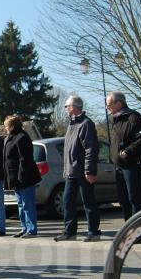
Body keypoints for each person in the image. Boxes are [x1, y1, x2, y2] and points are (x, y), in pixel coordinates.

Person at [54, 96, 101, 242]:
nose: (66, 109)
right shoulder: (71, 124)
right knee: (67, 201)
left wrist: (89, 171)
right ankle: (70, 232)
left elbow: (90, 149)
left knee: (89, 201)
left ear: (74, 107)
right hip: (71, 171)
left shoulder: (86, 124)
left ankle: (93, 231)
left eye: (67, 106)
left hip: (83, 171)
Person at [107, 92, 141, 220]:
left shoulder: (133, 117)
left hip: (131, 165)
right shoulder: (115, 120)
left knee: (134, 198)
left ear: (119, 103)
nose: (107, 108)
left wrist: (128, 151)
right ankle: (129, 229)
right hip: (119, 166)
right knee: (123, 199)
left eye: (109, 105)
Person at [3, 115, 41, 238]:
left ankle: (31, 229)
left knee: (27, 204)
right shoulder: (10, 138)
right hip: (15, 178)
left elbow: (25, 160)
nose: (5, 129)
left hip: (25, 178)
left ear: (13, 126)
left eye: (6, 126)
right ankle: (24, 227)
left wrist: (20, 177)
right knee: (20, 204)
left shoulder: (22, 137)